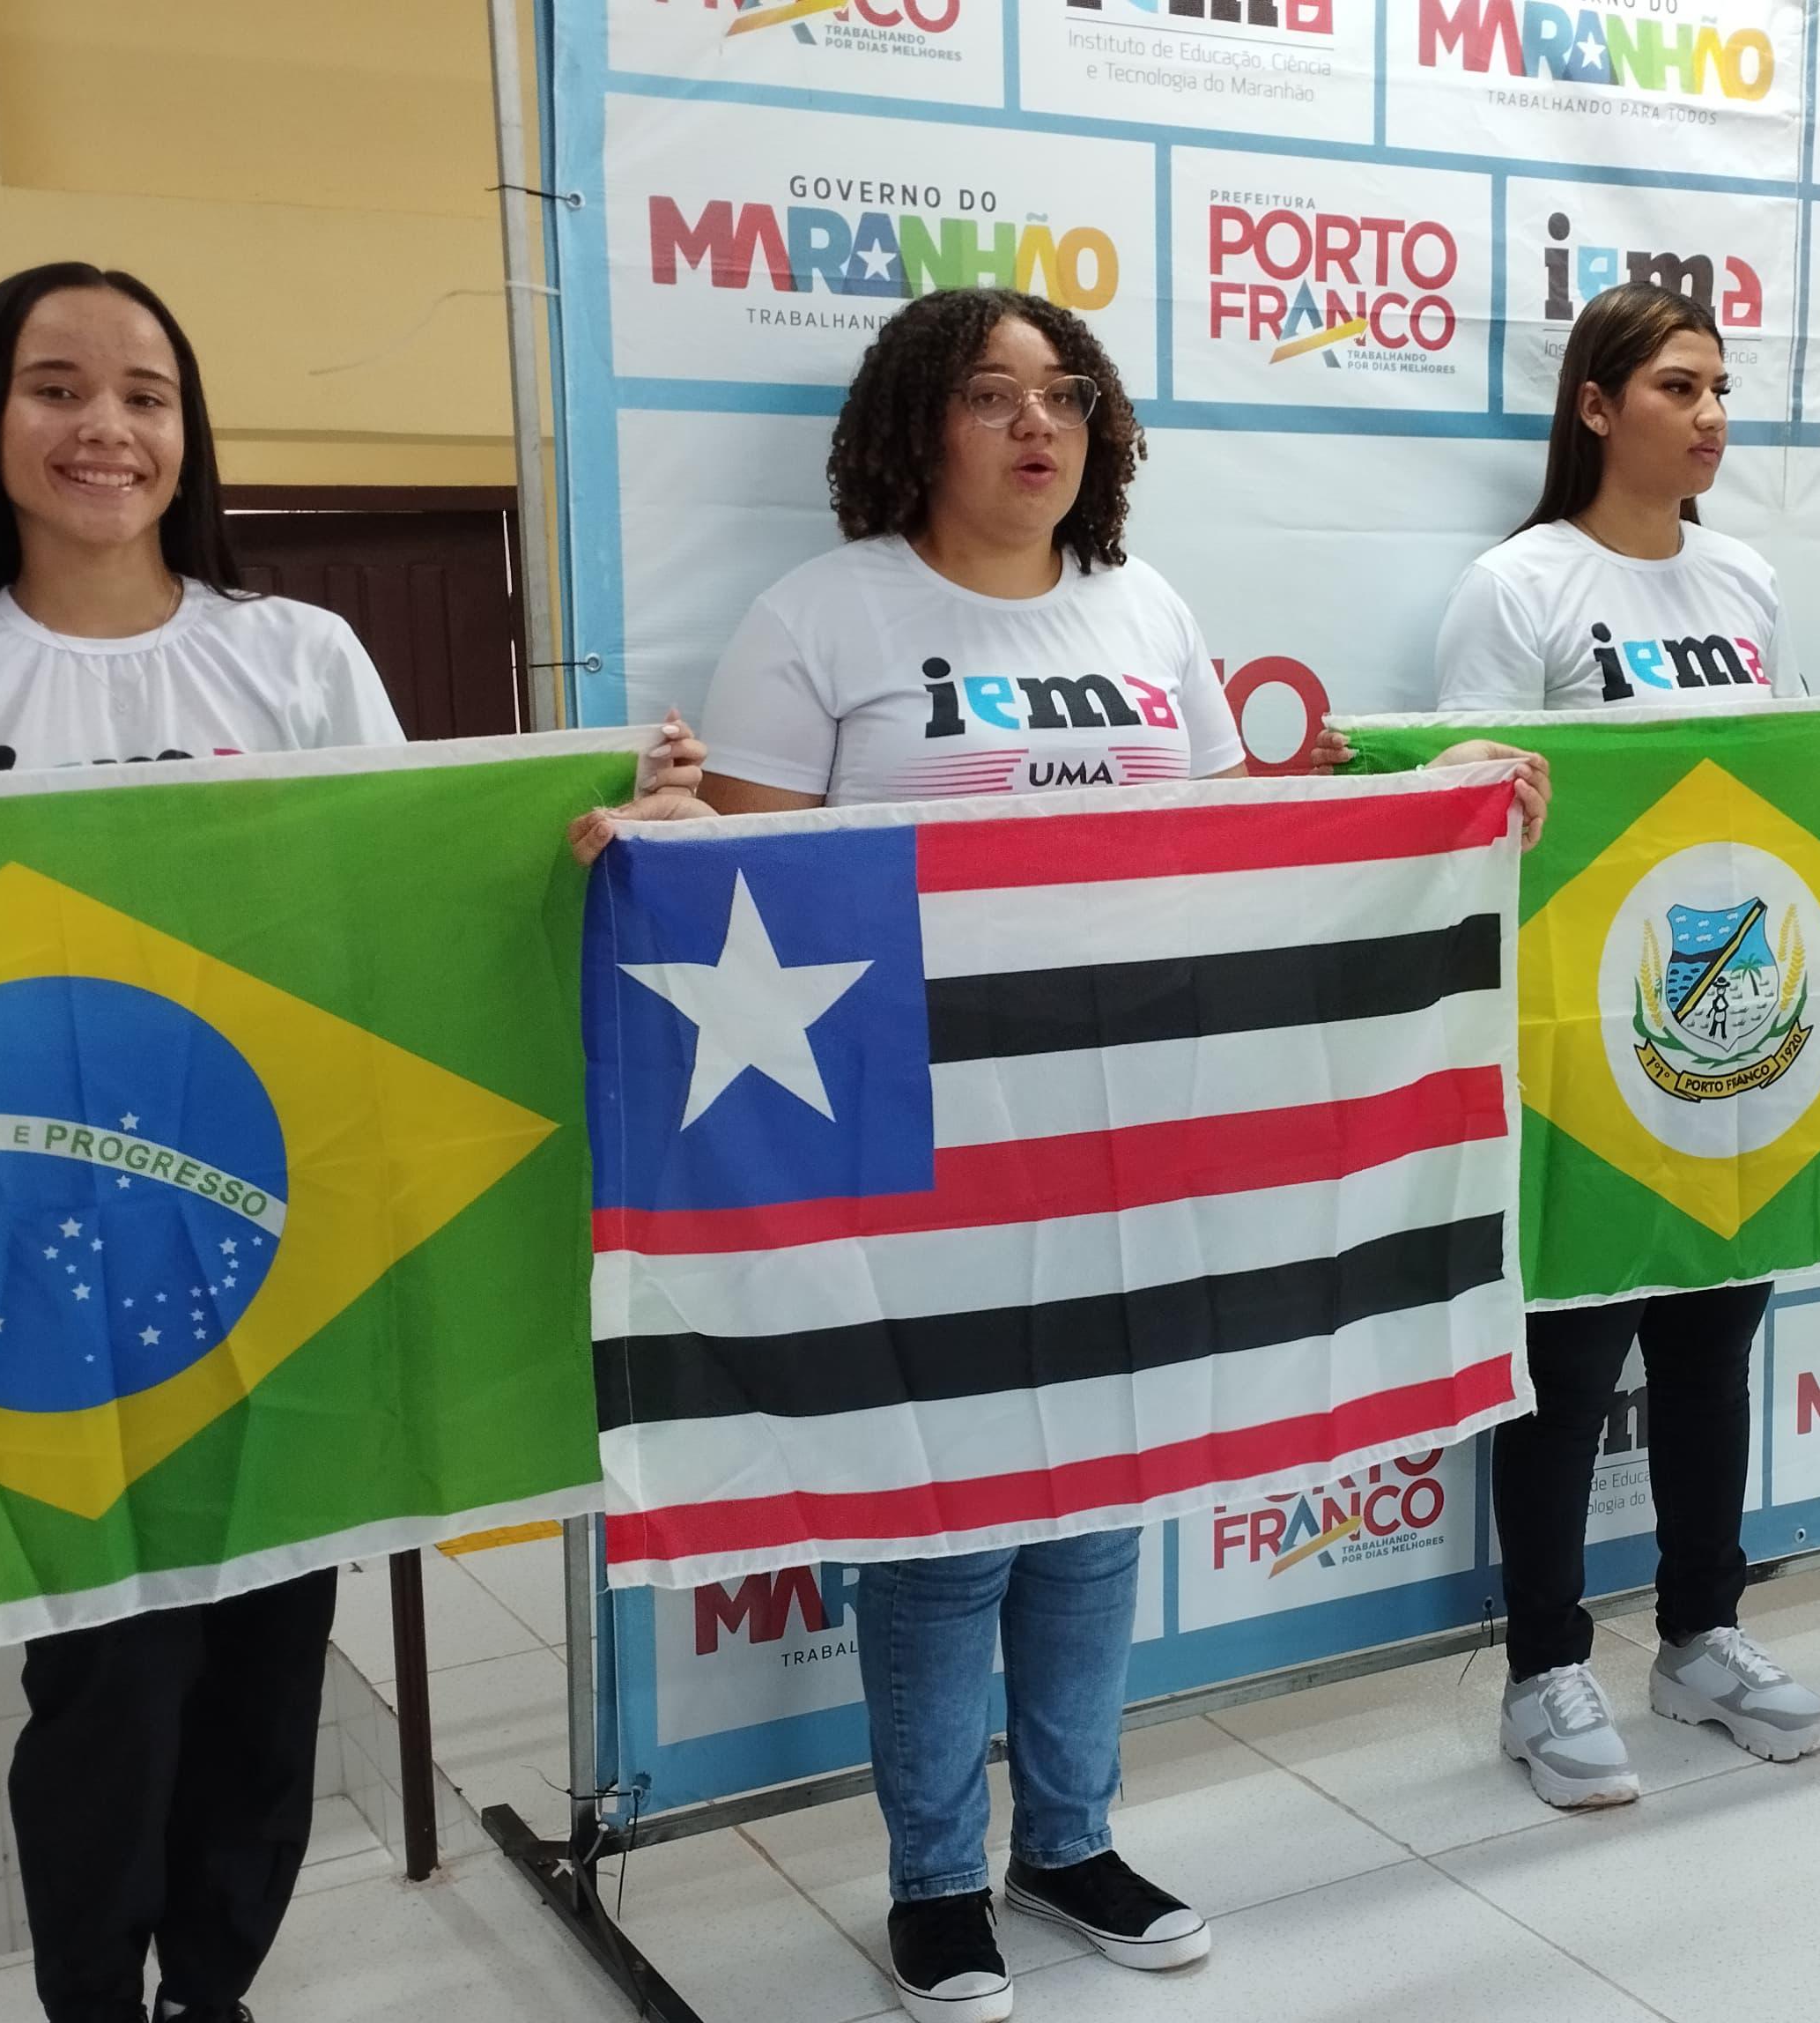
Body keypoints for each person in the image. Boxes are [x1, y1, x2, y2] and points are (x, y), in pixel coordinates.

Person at [573, 285, 1535, 2023]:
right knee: (942, 1523)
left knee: (1100, 1499)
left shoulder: (1146, 604)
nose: (1038, 424)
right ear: (914, 425)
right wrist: (654, 835)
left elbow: (1211, 855)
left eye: (1067, 396)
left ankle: (1071, 1838)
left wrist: (1434, 800)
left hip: (1125, 1133)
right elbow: (749, 899)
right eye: (994, 394)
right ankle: (937, 1881)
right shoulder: (822, 613)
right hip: (911, 1144)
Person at [0, 263, 374, 2023]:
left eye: (147, 394)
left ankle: (218, 1987)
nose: (106, 426)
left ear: (191, 433)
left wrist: (577, 832)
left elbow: (394, 901)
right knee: (111, 1671)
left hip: (267, 1232)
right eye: (55, 387)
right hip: (30, 1258)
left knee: (270, 1649)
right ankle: (95, 1994)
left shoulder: (297, 655)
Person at [1432, 281, 1820, 1812]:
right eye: (1680, 386)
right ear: (1597, 408)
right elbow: (1480, 813)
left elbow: (1779, 790)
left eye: (1724, 387)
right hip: (1574, 1025)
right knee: (1567, 1352)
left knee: (1713, 1337)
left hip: (1731, 1018)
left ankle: (1702, 1633)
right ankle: (1545, 1666)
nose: (1713, 415)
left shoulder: (1747, 582)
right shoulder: (1519, 585)